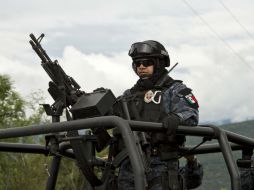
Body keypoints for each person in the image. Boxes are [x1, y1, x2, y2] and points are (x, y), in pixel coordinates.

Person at [112, 40, 203, 190]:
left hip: (161, 164)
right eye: (137, 63)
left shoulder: (177, 89)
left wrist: (176, 118)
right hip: (128, 167)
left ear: (158, 63)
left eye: (146, 62)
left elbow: (191, 115)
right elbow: (111, 115)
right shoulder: (128, 95)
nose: (141, 66)